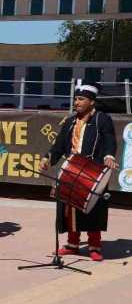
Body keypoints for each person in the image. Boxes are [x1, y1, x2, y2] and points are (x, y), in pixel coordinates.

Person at [39, 80, 118, 261]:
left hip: (92, 171)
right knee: (70, 210)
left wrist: (109, 156)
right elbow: (58, 146)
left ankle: (94, 247)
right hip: (72, 171)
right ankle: (72, 245)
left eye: (81, 99)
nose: (76, 102)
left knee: (94, 210)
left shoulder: (102, 119)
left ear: (91, 101)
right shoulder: (69, 122)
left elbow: (110, 140)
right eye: (75, 99)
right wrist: (47, 159)